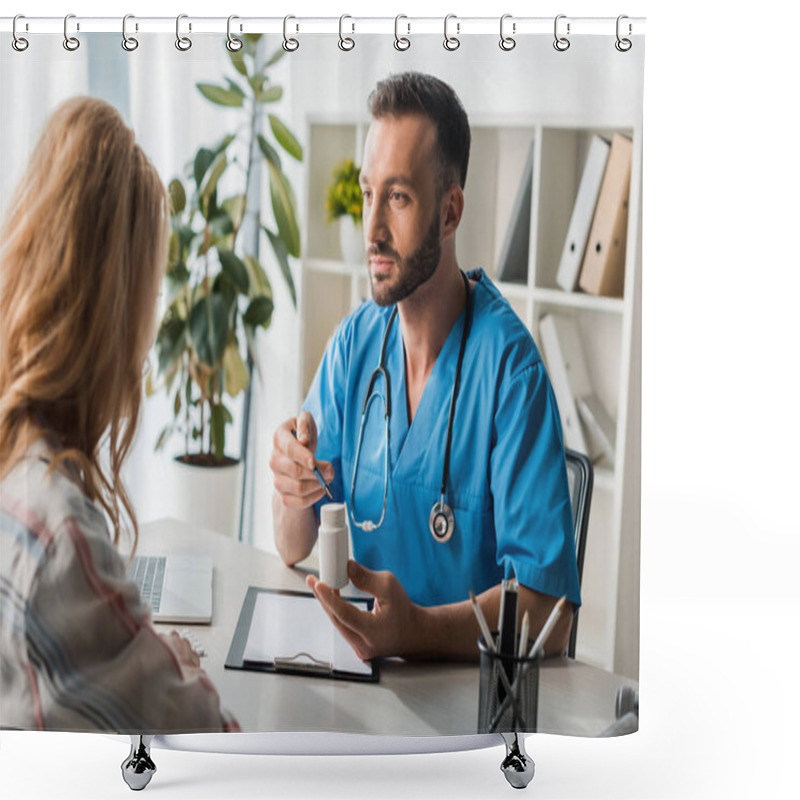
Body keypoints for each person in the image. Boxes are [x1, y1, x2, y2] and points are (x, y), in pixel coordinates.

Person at [270, 72, 581, 662]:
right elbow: (292, 545)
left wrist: (419, 632)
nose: (372, 229)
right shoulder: (355, 344)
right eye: (367, 194)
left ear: (449, 211)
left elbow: (550, 616)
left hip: (469, 709)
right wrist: (289, 486)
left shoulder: (511, 372)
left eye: (398, 197)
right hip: (364, 681)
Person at [0, 97, 238, 733]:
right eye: (149, 294)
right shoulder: (61, 541)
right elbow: (219, 753)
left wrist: (137, 651)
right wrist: (174, 668)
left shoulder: (15, 479)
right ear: (115, 311)